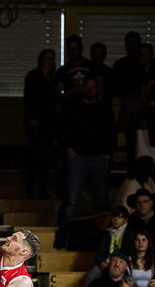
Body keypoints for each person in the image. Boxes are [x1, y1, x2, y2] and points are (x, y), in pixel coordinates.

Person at [60, 75, 115, 221]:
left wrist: (108, 153)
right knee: (72, 200)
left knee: (101, 199)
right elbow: (64, 129)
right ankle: (67, 236)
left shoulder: (104, 108)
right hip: (78, 157)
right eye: (87, 87)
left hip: (99, 158)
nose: (90, 90)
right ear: (82, 88)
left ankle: (103, 235)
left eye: (93, 87)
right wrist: (68, 148)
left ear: (97, 89)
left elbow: (111, 132)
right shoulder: (73, 107)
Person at [23, 49, 58, 199]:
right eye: (47, 58)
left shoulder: (53, 78)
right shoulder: (33, 76)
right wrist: (32, 118)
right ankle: (30, 190)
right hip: (35, 121)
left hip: (49, 122)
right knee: (35, 156)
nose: (50, 61)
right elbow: (28, 98)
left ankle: (43, 190)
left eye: (52, 58)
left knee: (46, 157)